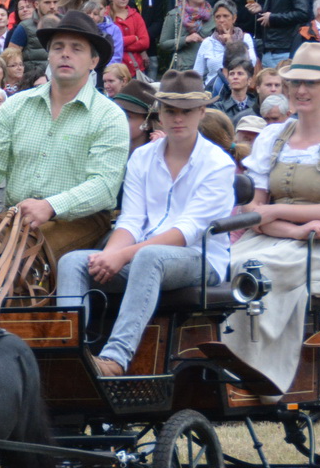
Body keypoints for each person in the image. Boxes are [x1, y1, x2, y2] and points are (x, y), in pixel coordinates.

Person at [56, 70, 236, 376]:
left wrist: (123, 255)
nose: (177, 118)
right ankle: (70, 352)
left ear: (202, 112)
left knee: (149, 257)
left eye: (186, 111)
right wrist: (109, 255)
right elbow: (131, 219)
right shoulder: (141, 158)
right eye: (170, 110)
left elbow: (187, 231)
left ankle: (116, 358)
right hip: (144, 254)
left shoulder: (218, 164)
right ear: (159, 113)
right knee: (73, 261)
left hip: (201, 258)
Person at [221, 44, 320, 393]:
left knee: (257, 270)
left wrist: (277, 213)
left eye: (311, 83)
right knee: (221, 267)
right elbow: (253, 211)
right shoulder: (273, 136)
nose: (301, 90)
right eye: (295, 82)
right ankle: (223, 362)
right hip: (273, 237)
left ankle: (260, 370)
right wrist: (292, 229)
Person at [0, 11, 128, 291]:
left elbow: (104, 186)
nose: (65, 54)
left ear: (94, 61)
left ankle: (26, 319)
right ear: (48, 55)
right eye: (58, 47)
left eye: (76, 48)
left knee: (25, 253)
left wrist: (50, 206)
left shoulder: (109, 115)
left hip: (80, 220)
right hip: (18, 217)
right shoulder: (15, 105)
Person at [159, 0, 215, 73]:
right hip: (185, 69)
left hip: (209, 68)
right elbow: (163, 43)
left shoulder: (213, 15)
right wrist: (186, 39)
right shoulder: (175, 15)